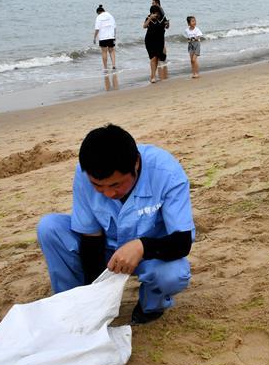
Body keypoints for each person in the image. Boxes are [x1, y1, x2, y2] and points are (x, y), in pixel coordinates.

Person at [36, 124, 195, 325]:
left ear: (136, 163)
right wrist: (95, 296)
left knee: (173, 274)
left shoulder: (166, 172)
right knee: (49, 227)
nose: (108, 193)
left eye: (116, 185)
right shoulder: (85, 172)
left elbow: (182, 242)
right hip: (107, 250)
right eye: (98, 186)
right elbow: (90, 239)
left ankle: (151, 306)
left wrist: (142, 246)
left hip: (151, 255)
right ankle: (73, 304)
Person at [143, 4, 168, 83]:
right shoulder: (148, 18)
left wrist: (167, 24)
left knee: (157, 58)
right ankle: (153, 76)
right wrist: (150, 18)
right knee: (153, 58)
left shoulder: (163, 18)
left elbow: (167, 27)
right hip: (149, 40)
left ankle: (153, 75)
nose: (156, 14)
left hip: (159, 40)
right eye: (154, 13)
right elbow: (144, 26)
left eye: (157, 12)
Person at [93, 5, 117, 72]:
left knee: (104, 52)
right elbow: (114, 27)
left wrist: (94, 37)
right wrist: (114, 36)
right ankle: (113, 65)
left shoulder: (98, 17)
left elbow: (97, 29)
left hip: (103, 37)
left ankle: (105, 67)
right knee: (112, 51)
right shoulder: (110, 16)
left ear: (98, 12)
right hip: (111, 36)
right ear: (103, 10)